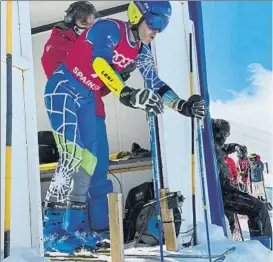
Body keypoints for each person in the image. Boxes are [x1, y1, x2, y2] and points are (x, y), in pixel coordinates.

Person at [43, 1, 206, 254]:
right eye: (155, 22)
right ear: (137, 15)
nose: (157, 31)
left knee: (89, 163)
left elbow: (156, 84)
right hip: (63, 87)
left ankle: (75, 228)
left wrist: (182, 106)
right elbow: (100, 63)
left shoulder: (141, 51)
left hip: (87, 97)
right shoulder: (109, 28)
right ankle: (51, 232)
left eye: (163, 25)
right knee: (71, 157)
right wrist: (126, 92)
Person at [212, 119, 272, 248]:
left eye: (226, 135)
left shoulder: (217, 146)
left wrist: (236, 146)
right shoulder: (208, 144)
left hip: (227, 188)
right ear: (214, 131)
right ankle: (264, 248)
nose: (223, 137)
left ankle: (261, 247)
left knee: (258, 207)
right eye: (221, 133)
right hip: (221, 193)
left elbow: (226, 148)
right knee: (258, 208)